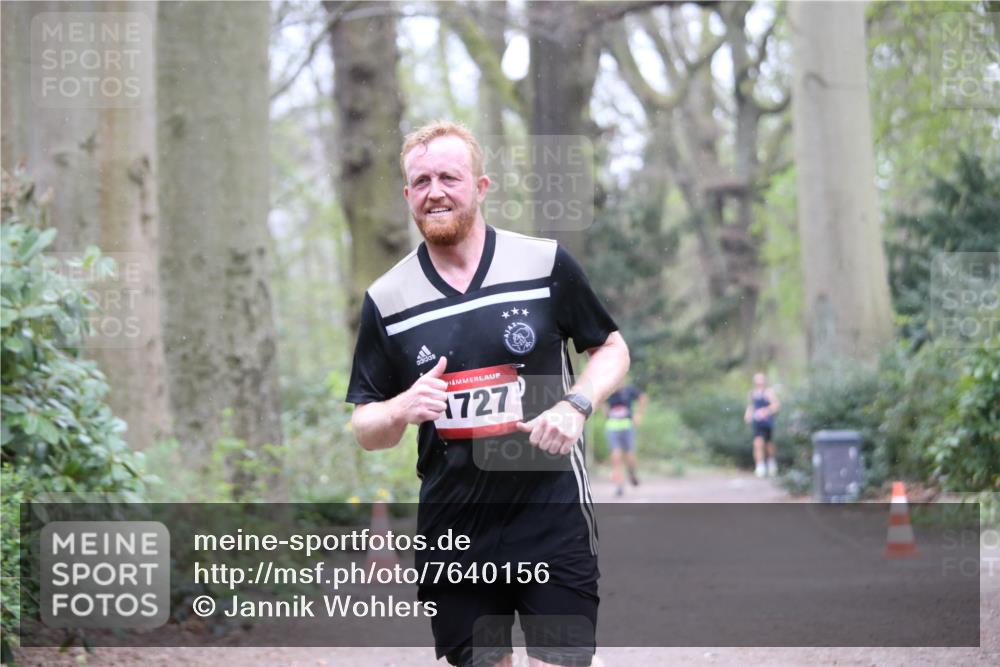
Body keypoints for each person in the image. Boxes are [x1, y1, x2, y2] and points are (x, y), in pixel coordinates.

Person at [345, 120, 630, 667]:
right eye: (421, 181)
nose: (435, 192)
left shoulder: (543, 264)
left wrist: (576, 405)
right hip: (455, 527)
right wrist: (401, 409)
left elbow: (611, 348)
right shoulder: (387, 299)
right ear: (408, 195)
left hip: (549, 514)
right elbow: (365, 428)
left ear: (481, 186)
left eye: (449, 177)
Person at [603, 381, 646, 497]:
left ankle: (632, 473)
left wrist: (638, 414)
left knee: (629, 456)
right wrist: (605, 412)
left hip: (627, 426)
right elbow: (601, 401)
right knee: (615, 455)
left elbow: (642, 397)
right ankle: (619, 485)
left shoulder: (629, 389)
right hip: (612, 426)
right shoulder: (608, 392)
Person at [743, 372, 780, 477]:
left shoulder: (768, 392)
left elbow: (776, 405)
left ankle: (771, 463)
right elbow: (751, 406)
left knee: (768, 444)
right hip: (757, 422)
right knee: (757, 442)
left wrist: (765, 411)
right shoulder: (752, 393)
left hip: (767, 422)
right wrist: (748, 415)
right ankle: (760, 466)